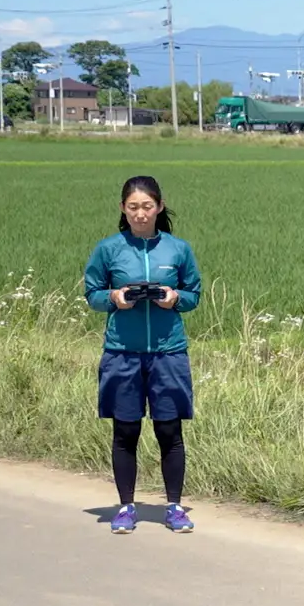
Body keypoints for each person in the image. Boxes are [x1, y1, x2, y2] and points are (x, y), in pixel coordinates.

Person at [83, 175, 202, 533]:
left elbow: (194, 295)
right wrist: (114, 299)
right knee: (126, 431)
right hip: (123, 353)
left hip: (168, 354)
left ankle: (175, 507)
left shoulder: (178, 250)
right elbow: (93, 293)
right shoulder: (109, 249)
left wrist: (174, 298)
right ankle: (125, 507)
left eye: (147, 206)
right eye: (133, 207)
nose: (140, 213)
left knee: (169, 430)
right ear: (123, 209)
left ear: (159, 207)